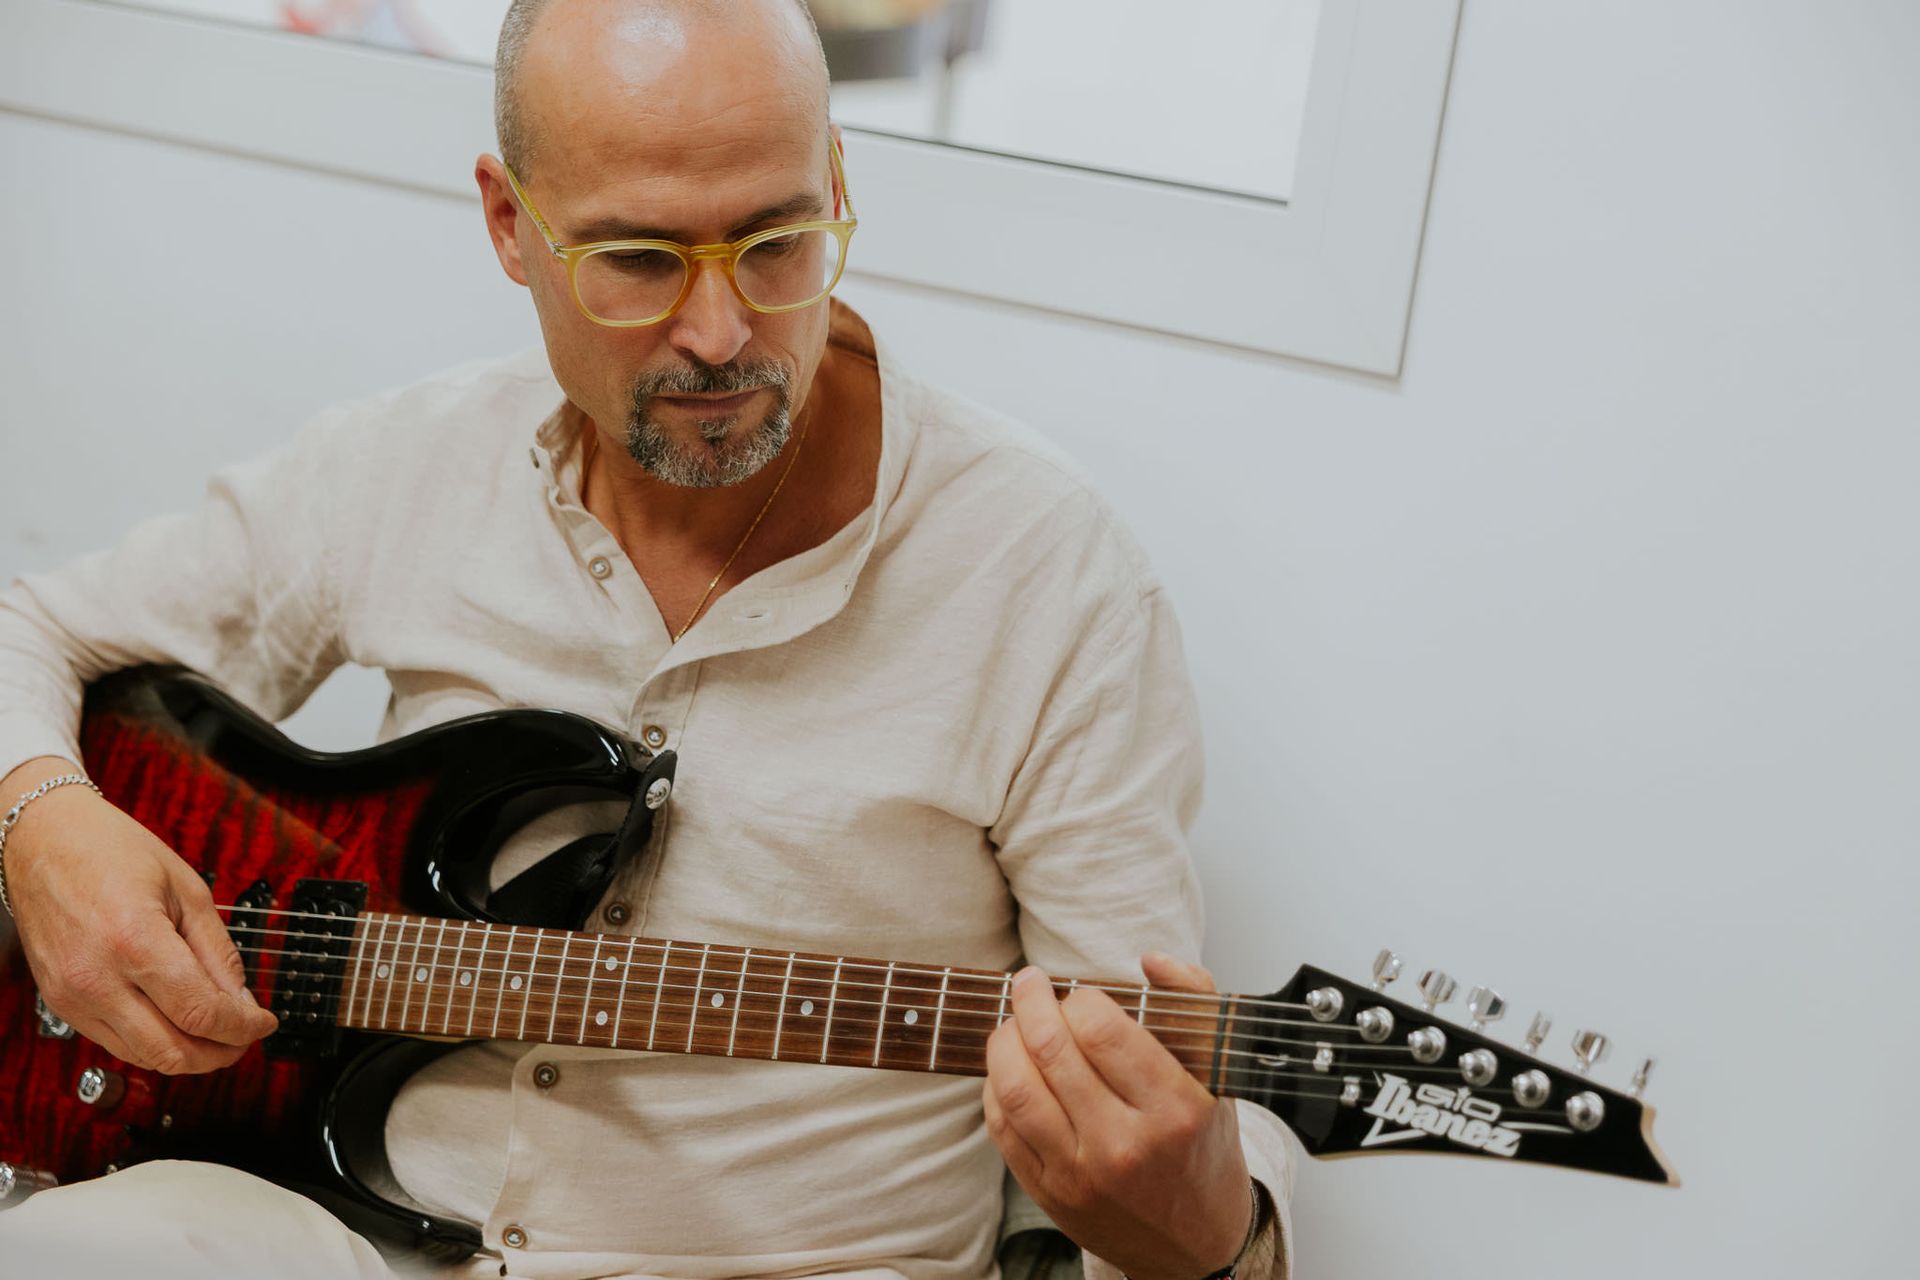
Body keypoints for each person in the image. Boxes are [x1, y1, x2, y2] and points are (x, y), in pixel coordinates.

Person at [0, 1, 1298, 1277]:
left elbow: (1142, 1101)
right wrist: (44, 825)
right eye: (637, 259)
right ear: (512, 225)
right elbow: (29, 634)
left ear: (837, 182)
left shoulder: (1052, 579)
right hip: (350, 1230)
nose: (721, 333)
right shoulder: (404, 463)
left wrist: (1209, 1242)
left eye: (777, 241)